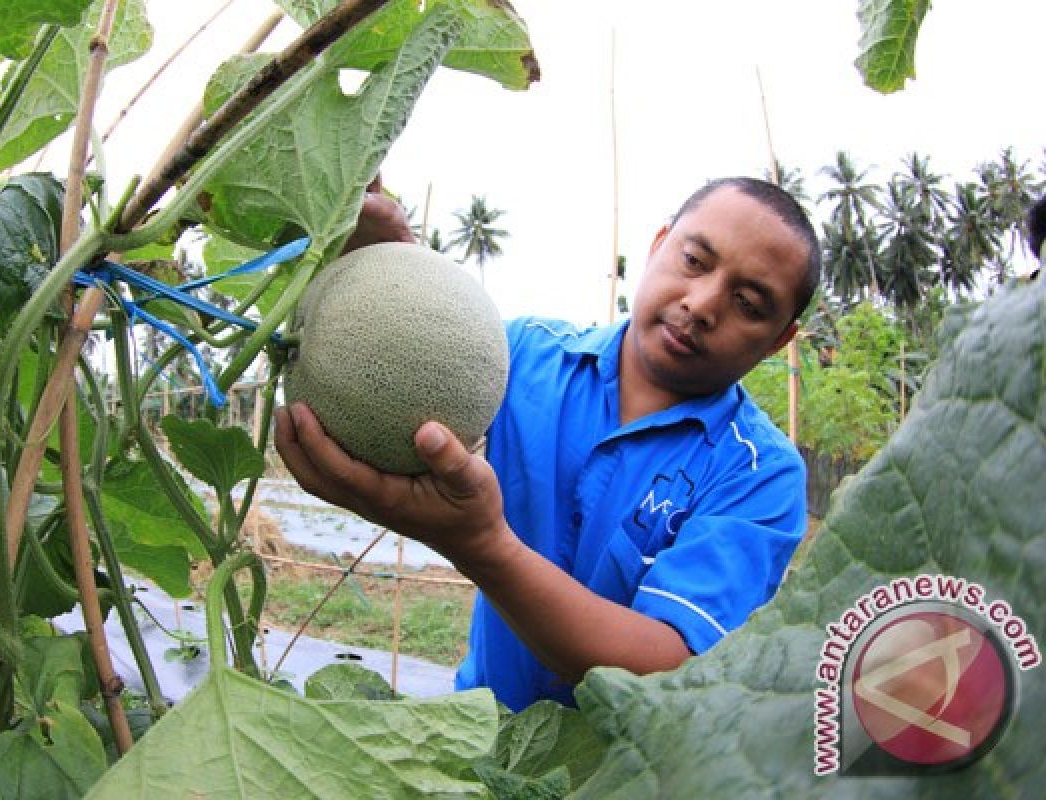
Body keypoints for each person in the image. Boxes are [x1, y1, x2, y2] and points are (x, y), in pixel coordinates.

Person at [275, 176, 821, 711]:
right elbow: (434, 345)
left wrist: (482, 547)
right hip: (477, 745)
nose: (702, 303)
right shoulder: (525, 356)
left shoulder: (760, 475)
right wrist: (385, 264)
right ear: (658, 245)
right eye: (695, 261)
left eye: (748, 303)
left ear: (780, 340)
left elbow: (672, 667)